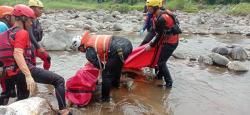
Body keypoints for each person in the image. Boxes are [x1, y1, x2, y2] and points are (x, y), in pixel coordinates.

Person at [0, 4, 71, 115]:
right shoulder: (22, 32)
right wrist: (28, 75)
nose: (31, 23)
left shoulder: (5, 34)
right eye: (30, 20)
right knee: (59, 81)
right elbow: (18, 54)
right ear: (23, 19)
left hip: (8, 73)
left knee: (22, 98)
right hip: (23, 71)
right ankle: (63, 111)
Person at [70, 31, 132, 102]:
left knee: (106, 74)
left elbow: (101, 66)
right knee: (116, 67)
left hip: (118, 50)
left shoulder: (88, 51)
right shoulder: (91, 38)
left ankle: (105, 100)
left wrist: (101, 72)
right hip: (126, 44)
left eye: (79, 49)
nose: (80, 51)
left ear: (81, 46)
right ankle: (116, 85)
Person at [145, 0, 182, 88]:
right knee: (160, 61)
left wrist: (151, 45)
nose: (147, 9)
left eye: (149, 7)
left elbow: (159, 35)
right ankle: (159, 77)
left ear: (154, 7)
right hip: (169, 41)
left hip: (170, 43)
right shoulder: (162, 14)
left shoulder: (161, 18)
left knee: (161, 62)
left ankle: (169, 84)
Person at [28, 0, 51, 70]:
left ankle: (46, 75)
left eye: (42, 9)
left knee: (47, 58)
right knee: (32, 66)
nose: (42, 10)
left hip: (35, 46)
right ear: (32, 9)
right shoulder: (29, 20)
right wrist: (38, 47)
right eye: (40, 8)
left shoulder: (36, 19)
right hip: (29, 47)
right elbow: (30, 34)